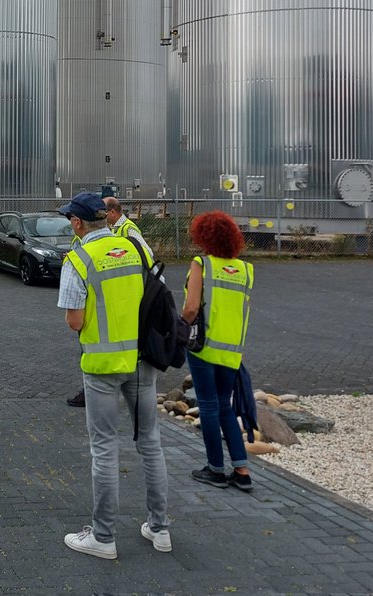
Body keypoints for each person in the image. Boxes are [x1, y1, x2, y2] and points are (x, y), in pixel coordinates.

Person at [58, 191, 169, 559]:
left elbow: (75, 321)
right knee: (150, 443)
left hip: (103, 367)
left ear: (77, 223)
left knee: (104, 449)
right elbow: (157, 295)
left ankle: (104, 537)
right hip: (142, 362)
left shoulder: (78, 259)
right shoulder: (136, 249)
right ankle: (160, 528)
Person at [182, 210, 255, 491]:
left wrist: (177, 329)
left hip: (204, 347)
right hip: (232, 351)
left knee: (209, 407)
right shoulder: (246, 270)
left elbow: (191, 308)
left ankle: (215, 469)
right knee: (224, 406)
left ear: (203, 236)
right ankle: (242, 470)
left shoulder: (202, 264)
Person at [66, 197, 154, 410]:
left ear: (78, 222)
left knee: (103, 439)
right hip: (141, 354)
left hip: (102, 358)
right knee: (149, 436)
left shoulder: (127, 232)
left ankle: (88, 394)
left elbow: (75, 321)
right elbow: (154, 274)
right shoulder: (128, 245)